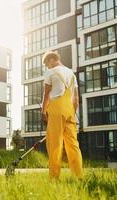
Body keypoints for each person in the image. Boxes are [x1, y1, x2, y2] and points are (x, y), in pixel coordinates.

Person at [41, 51, 83, 180]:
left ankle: (54, 178)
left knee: (55, 144)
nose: (47, 67)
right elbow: (75, 98)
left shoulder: (50, 72)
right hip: (70, 110)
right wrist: (71, 112)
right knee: (73, 145)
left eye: (47, 64)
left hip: (56, 108)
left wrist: (43, 112)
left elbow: (46, 95)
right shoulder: (71, 74)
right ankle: (78, 176)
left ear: (52, 59)